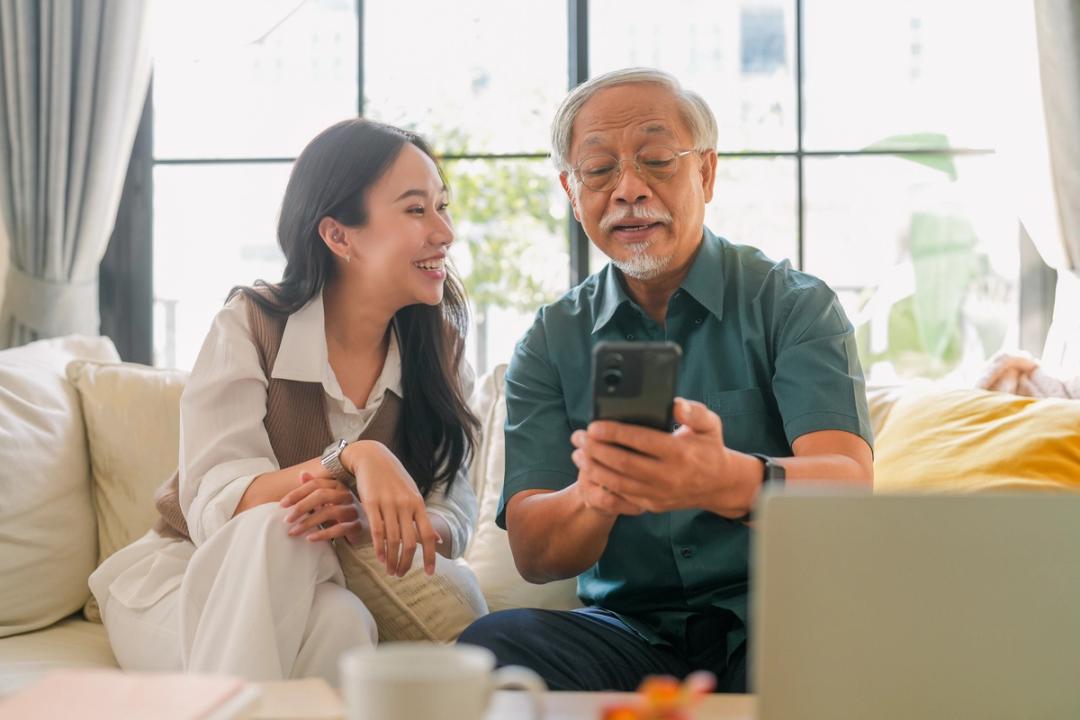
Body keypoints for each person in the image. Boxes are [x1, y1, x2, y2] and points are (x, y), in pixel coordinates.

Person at [458, 68, 874, 693]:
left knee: (833, 653)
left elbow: (850, 487)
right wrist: (596, 493)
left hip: (778, 618)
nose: (628, 190)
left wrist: (725, 479)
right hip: (628, 632)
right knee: (491, 649)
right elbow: (535, 553)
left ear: (705, 173)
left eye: (656, 160)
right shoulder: (550, 340)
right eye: (598, 171)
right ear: (572, 192)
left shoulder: (792, 305)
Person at [90, 118, 480, 685]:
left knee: (344, 624)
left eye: (442, 206)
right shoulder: (252, 324)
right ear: (339, 235)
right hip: (186, 585)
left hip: (327, 588)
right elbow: (215, 501)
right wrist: (353, 458)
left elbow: (455, 510)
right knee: (282, 526)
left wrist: (380, 523)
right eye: (417, 209)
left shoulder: (440, 350)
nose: (444, 231)